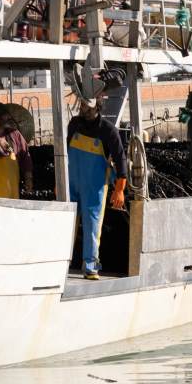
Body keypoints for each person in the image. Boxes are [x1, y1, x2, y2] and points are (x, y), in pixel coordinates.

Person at [66, 100, 126, 280]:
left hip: (95, 186)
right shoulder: (74, 124)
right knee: (66, 221)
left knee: (92, 225)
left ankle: (91, 266)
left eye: (88, 107)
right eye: (82, 106)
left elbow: (121, 160)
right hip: (71, 182)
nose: (84, 110)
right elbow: (64, 151)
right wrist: (59, 179)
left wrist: (120, 189)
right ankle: (60, 262)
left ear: (97, 107)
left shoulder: (108, 130)